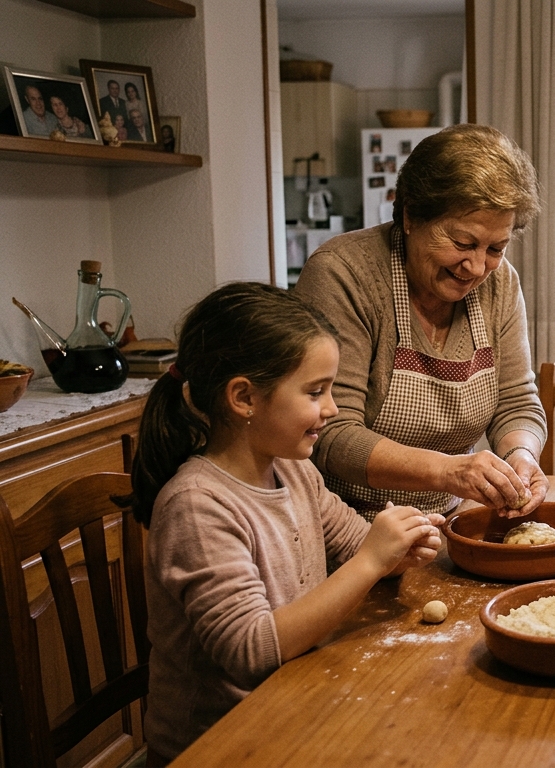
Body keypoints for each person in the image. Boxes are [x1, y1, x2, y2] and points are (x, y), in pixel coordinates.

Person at [127, 283, 444, 764]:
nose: (333, 408)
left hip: (298, 703)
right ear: (243, 398)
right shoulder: (197, 506)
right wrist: (370, 562)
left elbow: (361, 546)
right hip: (225, 744)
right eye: (316, 391)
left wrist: (400, 548)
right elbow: (252, 652)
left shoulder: (294, 470)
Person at [293, 124, 548, 520]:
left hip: (445, 519)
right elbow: (331, 433)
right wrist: (449, 470)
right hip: (344, 527)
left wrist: (521, 455)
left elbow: (516, 400)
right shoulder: (343, 275)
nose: (477, 267)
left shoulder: (500, 283)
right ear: (411, 215)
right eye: (462, 243)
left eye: (495, 248)